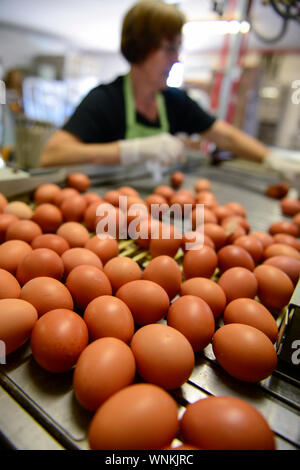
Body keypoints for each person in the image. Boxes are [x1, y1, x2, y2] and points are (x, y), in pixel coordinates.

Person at [39, 0, 299, 186]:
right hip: (107, 213)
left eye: (178, 49)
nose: (176, 59)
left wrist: (272, 160)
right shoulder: (106, 100)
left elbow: (225, 136)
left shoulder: (175, 101)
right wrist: (132, 150)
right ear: (141, 47)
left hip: (155, 211)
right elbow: (52, 155)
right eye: (169, 49)